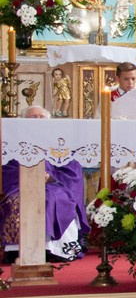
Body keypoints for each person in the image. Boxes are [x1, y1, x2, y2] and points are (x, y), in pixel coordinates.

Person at [1, 106, 89, 262]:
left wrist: (51, 177)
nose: (37, 121)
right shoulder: (13, 143)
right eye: (32, 117)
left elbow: (72, 170)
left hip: (54, 186)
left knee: (49, 199)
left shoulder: (60, 142)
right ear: (23, 121)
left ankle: (51, 248)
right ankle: (15, 250)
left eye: (41, 117)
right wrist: (27, 177)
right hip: (20, 185)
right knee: (19, 200)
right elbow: (7, 169)